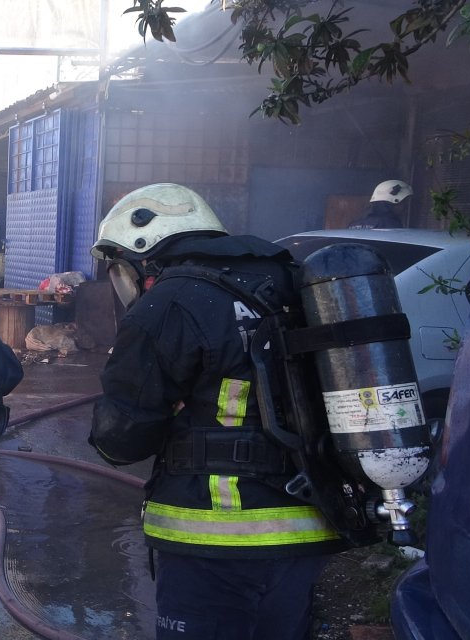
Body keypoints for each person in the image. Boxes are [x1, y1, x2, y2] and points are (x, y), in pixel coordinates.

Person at [89, 183, 346, 640]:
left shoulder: (168, 303)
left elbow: (121, 439)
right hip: (311, 522)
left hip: (212, 538)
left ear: (144, 255)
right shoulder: (290, 280)